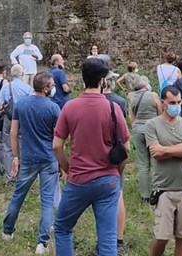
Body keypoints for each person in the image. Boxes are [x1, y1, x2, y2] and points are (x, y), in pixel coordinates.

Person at [53, 58, 130, 256]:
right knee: (107, 238)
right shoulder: (114, 109)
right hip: (108, 181)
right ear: (103, 82)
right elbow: (126, 148)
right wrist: (117, 172)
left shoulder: (70, 107)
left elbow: (57, 145)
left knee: (62, 228)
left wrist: (68, 168)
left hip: (79, 179)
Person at [1, 73, 61, 254]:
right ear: (45, 88)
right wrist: (62, 161)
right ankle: (42, 243)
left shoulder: (21, 104)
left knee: (18, 195)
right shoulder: (54, 108)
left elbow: (13, 133)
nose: (53, 87)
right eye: (51, 85)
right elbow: (59, 138)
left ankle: (7, 230)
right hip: (49, 158)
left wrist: (15, 157)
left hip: (28, 157)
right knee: (47, 201)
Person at [146, 86, 182, 256]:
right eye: (172, 102)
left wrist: (166, 150)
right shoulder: (152, 125)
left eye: (178, 102)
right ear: (163, 103)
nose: (176, 106)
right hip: (164, 187)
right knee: (162, 236)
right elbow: (156, 153)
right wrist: (180, 148)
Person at [103, 71, 129, 253]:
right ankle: (118, 239)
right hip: (116, 151)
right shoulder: (120, 102)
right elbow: (124, 131)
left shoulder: (90, 103)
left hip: (94, 154)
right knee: (117, 193)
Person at [127, 76, 162, 203]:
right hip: (152, 130)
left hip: (138, 131)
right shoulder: (153, 95)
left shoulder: (131, 97)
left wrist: (136, 129)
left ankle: (144, 194)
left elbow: (131, 117)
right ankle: (157, 190)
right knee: (155, 162)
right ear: (145, 85)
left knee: (143, 164)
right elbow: (160, 113)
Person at [0, 64, 33, 183]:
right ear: (22, 74)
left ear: (11, 74)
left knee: (7, 147)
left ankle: (10, 176)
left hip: (9, 119)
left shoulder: (6, 87)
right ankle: (23, 175)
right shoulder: (27, 88)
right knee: (22, 145)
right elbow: (31, 105)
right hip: (23, 120)